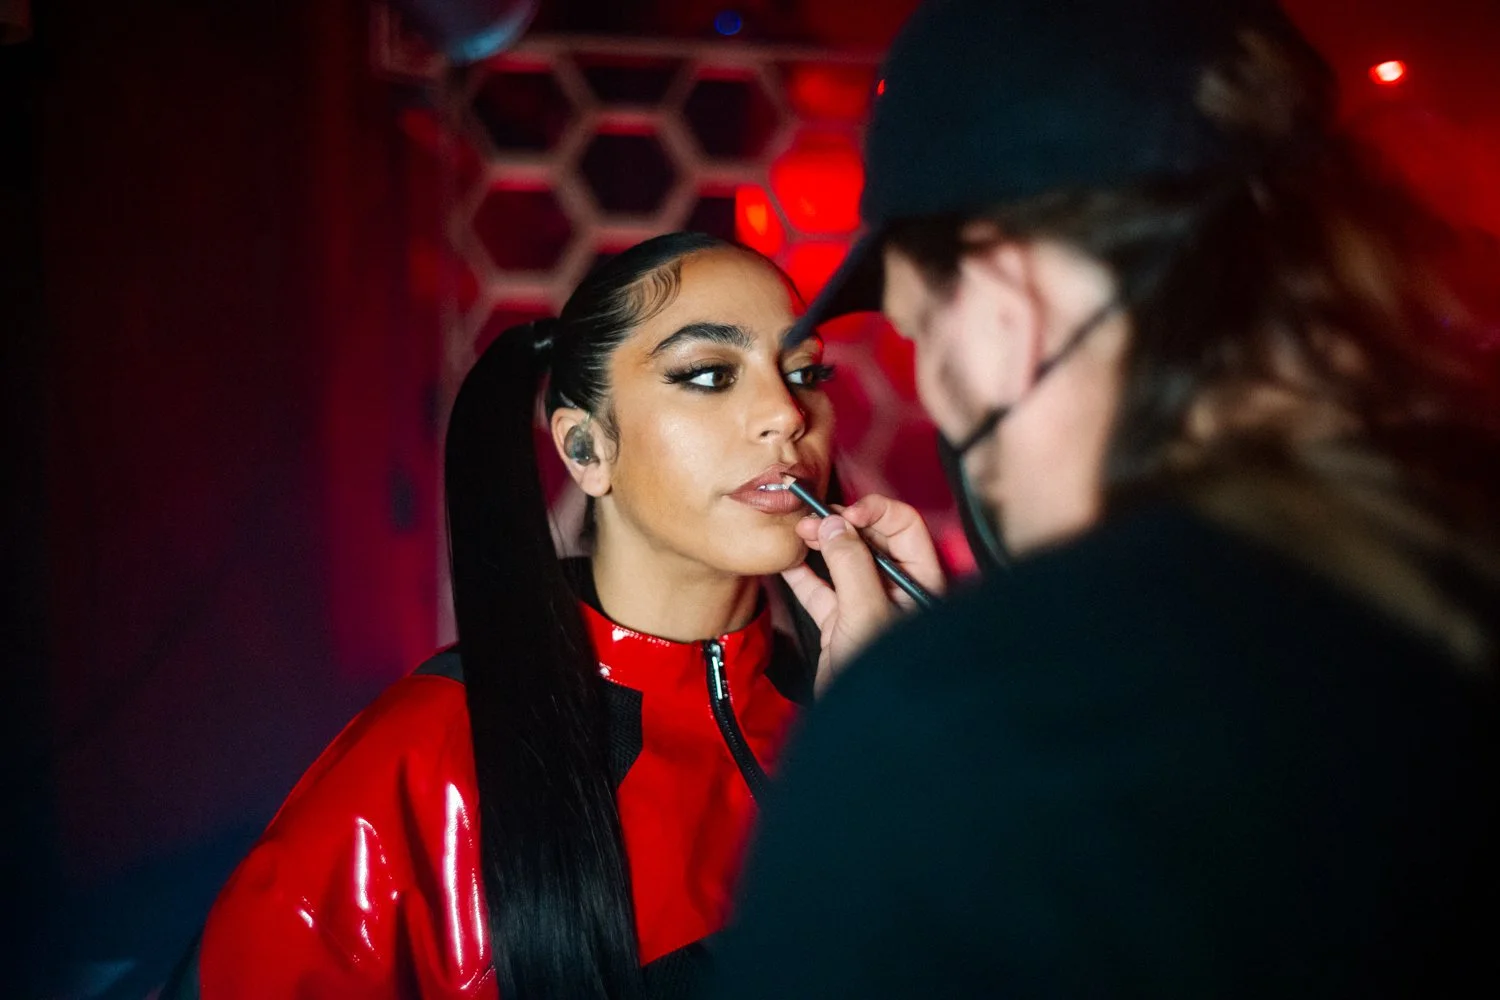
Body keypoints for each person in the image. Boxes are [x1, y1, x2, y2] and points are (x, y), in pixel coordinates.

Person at [714, 0, 1500, 996]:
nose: (783, 420)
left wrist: (911, 735)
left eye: (921, 333)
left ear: (1009, 307)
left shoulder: (960, 732)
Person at [162, 232, 943, 999]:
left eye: (805, 372)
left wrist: (920, 721)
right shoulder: (430, 760)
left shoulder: (857, 712)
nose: (785, 414)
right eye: (708, 374)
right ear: (584, 450)